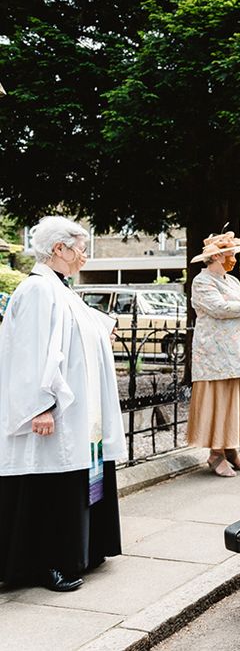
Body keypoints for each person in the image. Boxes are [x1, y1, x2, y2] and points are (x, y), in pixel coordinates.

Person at [0, 216, 127, 592]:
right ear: (59, 249)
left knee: (66, 479)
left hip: (75, 417)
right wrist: (39, 405)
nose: (83, 255)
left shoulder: (58, 288)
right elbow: (31, 351)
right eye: (79, 248)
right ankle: (46, 564)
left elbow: (81, 325)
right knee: (48, 485)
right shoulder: (39, 290)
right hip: (50, 414)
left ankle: (80, 553)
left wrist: (103, 325)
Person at [188, 232, 240, 478]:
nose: (234, 258)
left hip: (238, 352)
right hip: (216, 354)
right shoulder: (202, 281)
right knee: (221, 398)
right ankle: (216, 453)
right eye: (230, 254)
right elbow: (218, 308)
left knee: (235, 398)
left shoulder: (233, 282)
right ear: (216, 257)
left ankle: (231, 448)